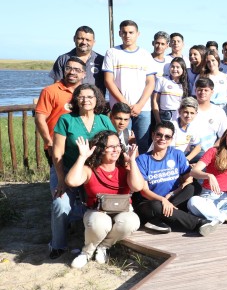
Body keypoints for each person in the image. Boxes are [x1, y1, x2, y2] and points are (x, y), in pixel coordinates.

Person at [51, 84, 116, 258]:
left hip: (94, 172)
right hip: (67, 169)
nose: (85, 100)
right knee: (61, 204)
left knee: (98, 205)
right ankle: (58, 245)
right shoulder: (66, 120)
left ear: (97, 99)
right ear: (75, 99)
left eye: (90, 97)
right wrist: (61, 180)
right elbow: (57, 153)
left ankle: (100, 243)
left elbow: (114, 145)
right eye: (81, 96)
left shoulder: (104, 120)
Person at [66, 132, 145, 269]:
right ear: (101, 149)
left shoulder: (124, 169)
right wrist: (82, 157)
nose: (116, 149)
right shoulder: (89, 170)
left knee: (132, 221)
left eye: (118, 146)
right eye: (111, 147)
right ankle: (87, 252)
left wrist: (132, 161)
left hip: (122, 211)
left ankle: (103, 247)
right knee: (100, 222)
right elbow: (71, 181)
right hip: (97, 211)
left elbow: (138, 187)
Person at [35, 57, 86, 258]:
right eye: (69, 68)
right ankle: (60, 237)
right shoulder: (50, 91)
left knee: (81, 191)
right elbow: (40, 117)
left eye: (77, 69)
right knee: (60, 189)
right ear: (64, 70)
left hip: (81, 152)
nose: (72, 72)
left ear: (83, 74)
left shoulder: (85, 93)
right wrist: (49, 142)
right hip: (57, 150)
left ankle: (74, 222)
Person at [134, 122, 205, 234]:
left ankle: (159, 219)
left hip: (173, 198)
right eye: (159, 135)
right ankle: (198, 223)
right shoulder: (142, 160)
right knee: (157, 206)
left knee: (194, 187)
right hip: (151, 202)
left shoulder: (177, 154)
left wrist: (171, 195)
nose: (162, 139)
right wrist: (162, 200)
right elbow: (144, 191)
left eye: (167, 136)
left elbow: (188, 180)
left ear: (171, 139)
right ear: (153, 135)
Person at [103, 20, 158, 152]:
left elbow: (150, 82)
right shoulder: (112, 52)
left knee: (143, 144)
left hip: (143, 109)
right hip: (120, 108)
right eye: (124, 32)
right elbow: (108, 81)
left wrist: (140, 104)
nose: (127, 35)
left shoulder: (145, 54)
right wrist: (125, 104)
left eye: (131, 32)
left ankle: (140, 166)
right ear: (119, 33)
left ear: (138, 34)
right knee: (121, 143)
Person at [50, 26, 106, 94]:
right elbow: (57, 85)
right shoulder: (62, 59)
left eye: (88, 40)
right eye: (80, 38)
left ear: (93, 42)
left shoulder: (102, 60)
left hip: (95, 100)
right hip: (69, 99)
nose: (84, 42)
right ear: (74, 39)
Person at [193, 77, 227, 156]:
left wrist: (211, 152)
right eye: (200, 90)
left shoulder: (219, 112)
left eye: (206, 90)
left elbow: (224, 135)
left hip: (209, 154)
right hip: (188, 153)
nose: (202, 92)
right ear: (195, 91)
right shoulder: (188, 110)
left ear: (212, 92)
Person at [153, 57, 190, 125]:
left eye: (178, 67)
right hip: (164, 115)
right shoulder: (162, 80)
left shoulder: (185, 84)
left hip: (179, 115)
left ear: (183, 69)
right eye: (172, 67)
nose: (175, 69)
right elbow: (155, 100)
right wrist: (158, 120)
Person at [202, 51, 227, 119]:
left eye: (213, 60)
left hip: (222, 112)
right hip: (206, 112)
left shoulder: (226, 77)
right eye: (208, 62)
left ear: (218, 61)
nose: (211, 63)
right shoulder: (202, 77)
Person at [171, 97, 203, 162]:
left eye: (192, 113)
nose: (189, 116)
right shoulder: (172, 126)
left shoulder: (192, 126)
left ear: (196, 114)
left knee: (204, 155)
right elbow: (169, 151)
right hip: (170, 157)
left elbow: (198, 147)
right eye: (186, 112)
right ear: (179, 112)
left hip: (182, 156)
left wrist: (187, 160)